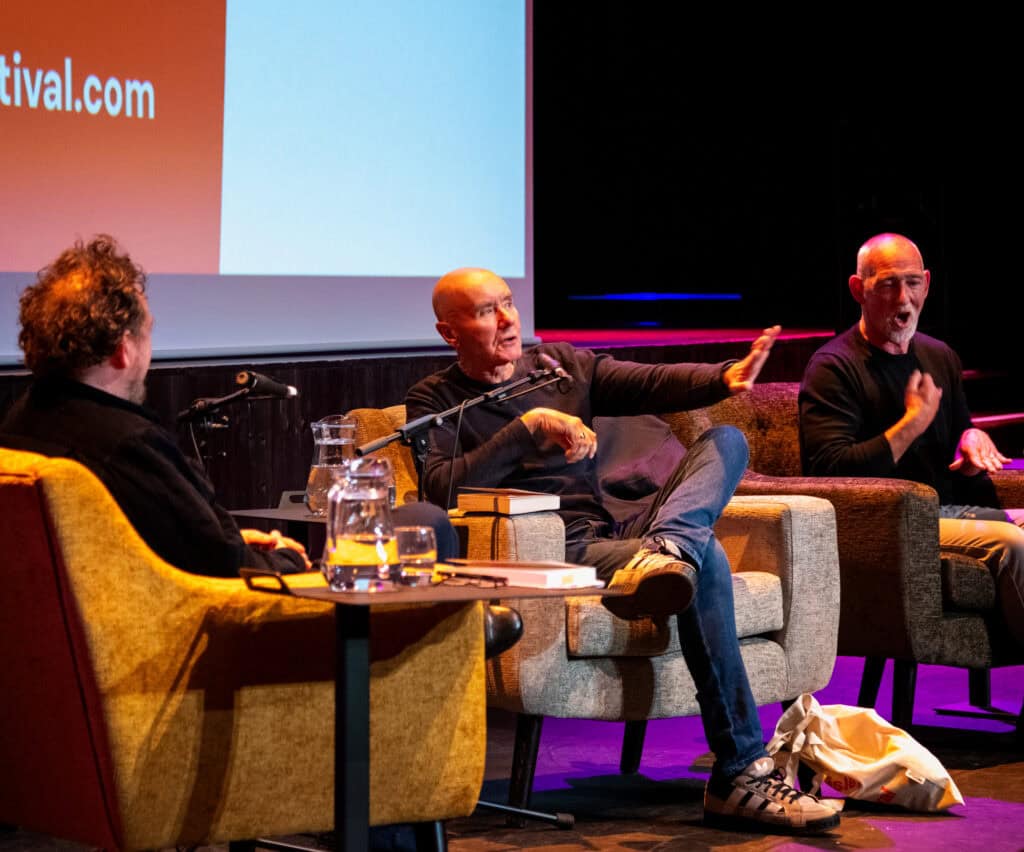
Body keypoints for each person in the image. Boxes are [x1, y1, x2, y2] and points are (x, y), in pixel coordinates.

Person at [405, 266, 840, 834]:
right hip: (555, 552)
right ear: (449, 332)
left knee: (725, 441)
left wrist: (724, 375)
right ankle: (741, 774)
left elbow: (648, 380)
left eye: (508, 303)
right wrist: (529, 426)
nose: (509, 319)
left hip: (615, 533)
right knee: (703, 557)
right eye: (487, 311)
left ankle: (667, 545)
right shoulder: (436, 400)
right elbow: (441, 488)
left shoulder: (557, 365)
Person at [0, 235, 457, 578]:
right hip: (218, 637)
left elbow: (174, 540)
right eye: (149, 333)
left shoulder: (20, 425)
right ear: (123, 350)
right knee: (426, 523)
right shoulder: (127, 444)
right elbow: (223, 566)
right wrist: (283, 559)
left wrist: (236, 538)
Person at [800, 232, 1024, 647]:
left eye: (912, 283)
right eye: (887, 284)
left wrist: (971, 441)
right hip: (888, 526)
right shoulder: (833, 367)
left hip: (950, 511)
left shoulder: (939, 356)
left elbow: (959, 436)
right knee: (1013, 542)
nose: (903, 299)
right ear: (858, 289)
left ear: (927, 283)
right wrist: (911, 424)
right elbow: (829, 474)